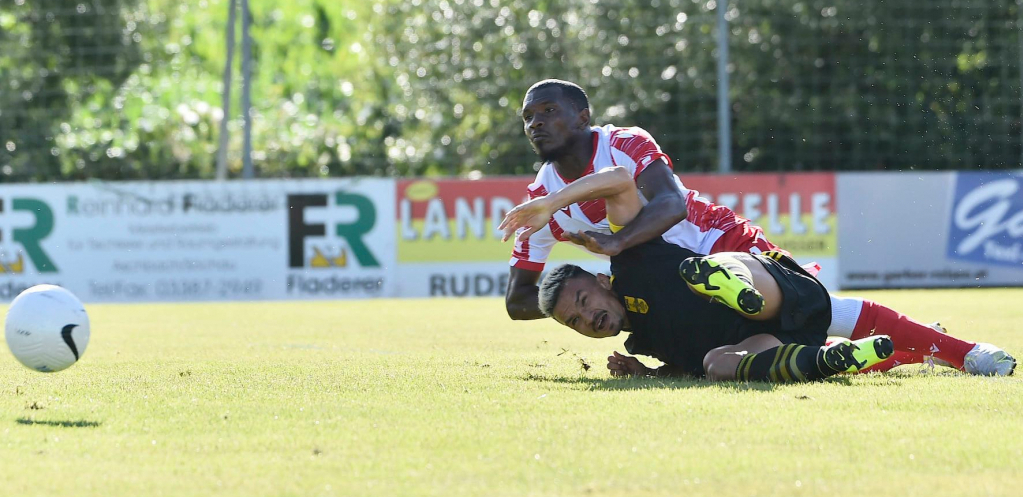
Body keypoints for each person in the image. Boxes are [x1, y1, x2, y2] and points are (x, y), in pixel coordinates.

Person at [503, 162, 1017, 377]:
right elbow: (685, 366)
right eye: (576, 321)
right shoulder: (645, 341)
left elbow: (618, 178)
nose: (589, 318)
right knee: (717, 366)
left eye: (584, 302)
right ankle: (862, 357)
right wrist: (650, 373)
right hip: (765, 337)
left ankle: (969, 353)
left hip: (762, 278)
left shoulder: (630, 257)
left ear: (600, 282)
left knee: (726, 273)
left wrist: (552, 203)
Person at [504, 79, 788, 322]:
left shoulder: (622, 143)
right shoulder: (539, 203)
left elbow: (671, 204)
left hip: (720, 241)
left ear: (582, 117)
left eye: (549, 110)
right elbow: (517, 301)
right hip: (670, 290)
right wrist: (599, 295)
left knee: (799, 310)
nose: (535, 122)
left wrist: (617, 241)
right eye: (527, 117)